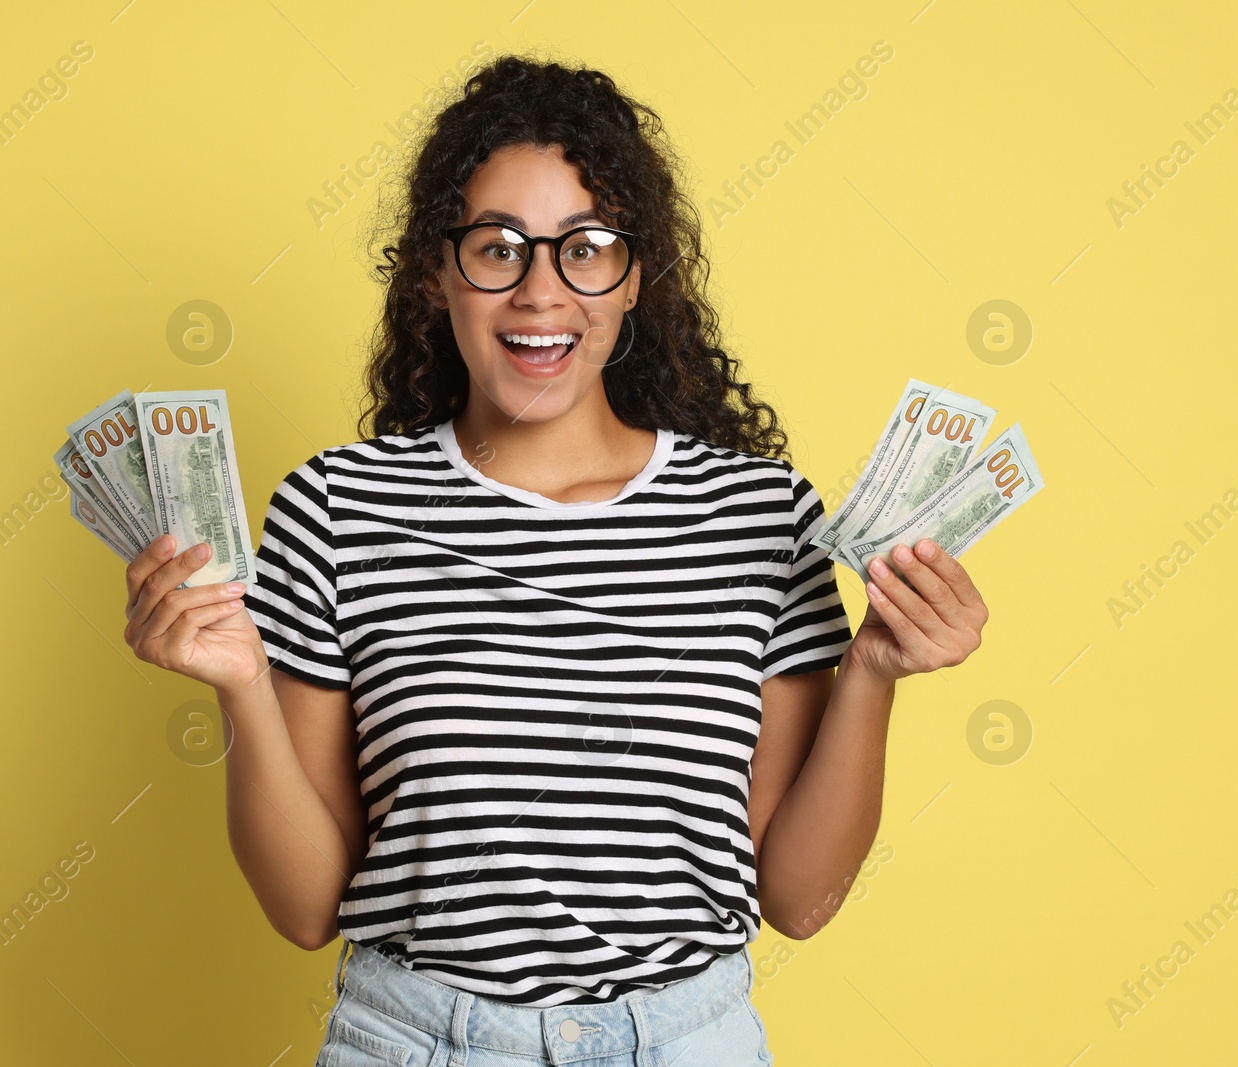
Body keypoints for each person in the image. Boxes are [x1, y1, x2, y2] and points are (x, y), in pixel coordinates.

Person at [121, 53, 987, 1066]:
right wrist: (241, 685)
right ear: (436, 272)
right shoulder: (338, 508)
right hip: (415, 1040)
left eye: (586, 247)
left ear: (633, 279)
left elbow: (797, 898)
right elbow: (308, 906)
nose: (542, 291)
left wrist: (874, 669)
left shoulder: (758, 518)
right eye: (498, 248)